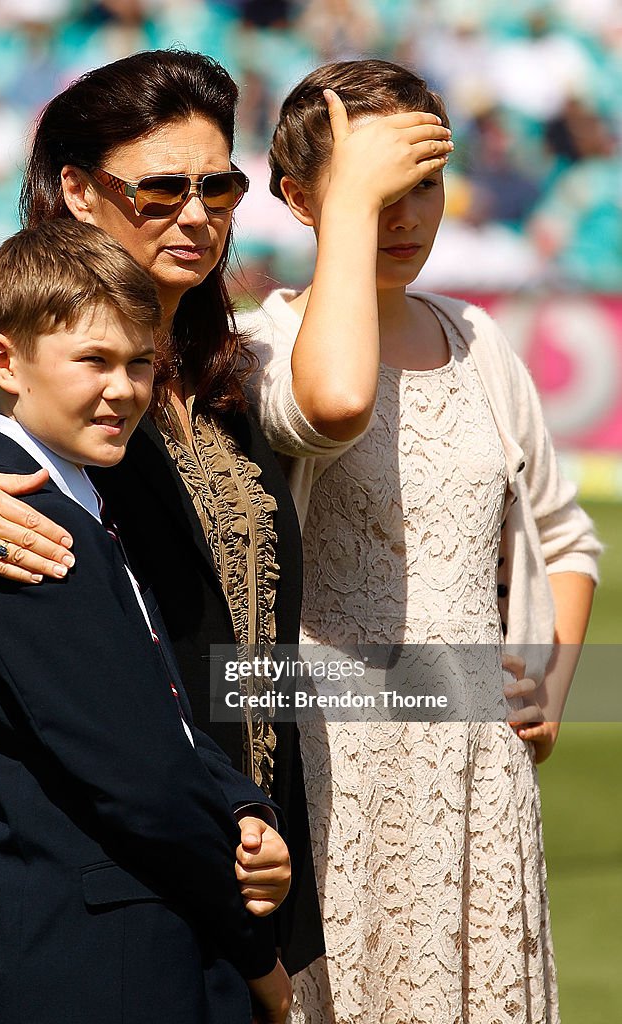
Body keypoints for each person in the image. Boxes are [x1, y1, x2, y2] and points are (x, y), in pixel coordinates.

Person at [0, 49, 451, 976]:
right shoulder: (8, 358)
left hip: (250, 857)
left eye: (219, 185)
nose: (197, 215)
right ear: (79, 193)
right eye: (161, 189)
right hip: (106, 882)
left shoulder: (229, 372)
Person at [240, 59, 601, 1024]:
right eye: (378, 191)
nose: (405, 216)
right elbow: (328, 406)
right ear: (298, 199)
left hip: (476, 763)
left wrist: (547, 682)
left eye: (424, 186)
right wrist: (346, 217)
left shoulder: (480, 342)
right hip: (324, 755)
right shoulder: (256, 344)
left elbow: (565, 536)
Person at [0, 217, 291, 1023]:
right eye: (92, 360)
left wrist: (239, 805)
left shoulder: (79, 498)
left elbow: (161, 714)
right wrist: (255, 953)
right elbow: (141, 783)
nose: (121, 388)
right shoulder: (22, 528)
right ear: (3, 361)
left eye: (138, 364)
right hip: (100, 960)